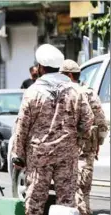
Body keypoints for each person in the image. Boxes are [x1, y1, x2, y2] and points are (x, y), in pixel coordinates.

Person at [11, 44, 94, 215]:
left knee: (35, 202)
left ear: (41, 68)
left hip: (39, 156)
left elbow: (22, 125)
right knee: (66, 203)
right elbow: (87, 121)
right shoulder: (76, 91)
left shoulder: (33, 92)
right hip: (67, 155)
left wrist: (18, 155)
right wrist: (76, 141)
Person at [59, 59, 108, 215]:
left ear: (68, 75)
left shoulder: (60, 92)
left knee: (70, 190)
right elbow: (101, 122)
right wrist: (98, 142)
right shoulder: (88, 92)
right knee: (82, 190)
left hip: (65, 149)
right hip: (84, 149)